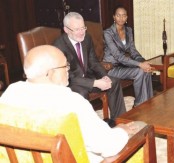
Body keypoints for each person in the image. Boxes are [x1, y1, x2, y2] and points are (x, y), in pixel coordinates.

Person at [0, 45, 141, 163]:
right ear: (51, 73)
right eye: (65, 66)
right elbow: (108, 146)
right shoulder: (72, 102)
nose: (68, 70)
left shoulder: (9, 94)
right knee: (141, 132)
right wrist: (121, 130)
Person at [53, 12, 126, 123]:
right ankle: (87, 127)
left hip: (86, 76)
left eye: (83, 28)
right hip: (70, 83)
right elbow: (69, 78)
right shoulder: (59, 46)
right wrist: (95, 83)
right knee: (81, 93)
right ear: (66, 30)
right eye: (77, 29)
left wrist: (105, 77)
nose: (82, 32)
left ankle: (120, 121)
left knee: (113, 82)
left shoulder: (86, 38)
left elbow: (93, 62)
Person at [103, 5, 153, 107]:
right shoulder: (108, 33)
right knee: (139, 71)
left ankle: (149, 102)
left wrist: (143, 61)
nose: (121, 18)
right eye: (118, 15)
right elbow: (118, 56)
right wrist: (139, 64)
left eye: (124, 15)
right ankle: (139, 105)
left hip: (124, 65)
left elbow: (133, 51)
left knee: (146, 70)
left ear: (127, 17)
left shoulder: (128, 30)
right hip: (112, 67)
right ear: (114, 17)